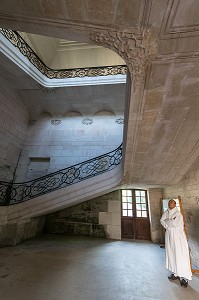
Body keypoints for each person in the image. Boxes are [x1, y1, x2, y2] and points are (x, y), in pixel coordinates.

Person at [160, 199, 192, 287]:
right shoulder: (166, 212)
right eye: (169, 203)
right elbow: (162, 220)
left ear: (175, 204)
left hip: (178, 238)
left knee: (180, 255)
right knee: (172, 254)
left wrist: (168, 221)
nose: (170, 204)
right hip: (170, 237)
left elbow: (173, 223)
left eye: (171, 202)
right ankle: (175, 273)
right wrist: (168, 223)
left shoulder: (178, 214)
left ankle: (183, 277)